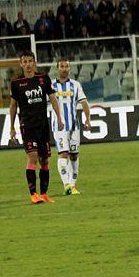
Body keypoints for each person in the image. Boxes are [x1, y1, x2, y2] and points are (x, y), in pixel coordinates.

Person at [9, 51, 63, 204]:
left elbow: (53, 99)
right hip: (27, 126)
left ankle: (44, 194)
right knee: (33, 157)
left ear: (34, 63)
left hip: (43, 126)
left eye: (30, 61)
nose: (27, 64)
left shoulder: (43, 79)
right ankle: (33, 194)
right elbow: (13, 106)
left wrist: (59, 117)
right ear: (21, 64)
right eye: (24, 61)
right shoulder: (16, 83)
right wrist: (12, 127)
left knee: (44, 160)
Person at [51, 59, 92, 195]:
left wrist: (88, 118)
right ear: (57, 68)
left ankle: (73, 185)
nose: (64, 69)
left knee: (74, 155)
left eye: (66, 67)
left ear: (70, 69)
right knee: (63, 153)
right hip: (59, 126)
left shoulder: (75, 85)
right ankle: (66, 184)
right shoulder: (50, 86)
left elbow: (84, 102)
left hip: (74, 126)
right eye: (61, 66)